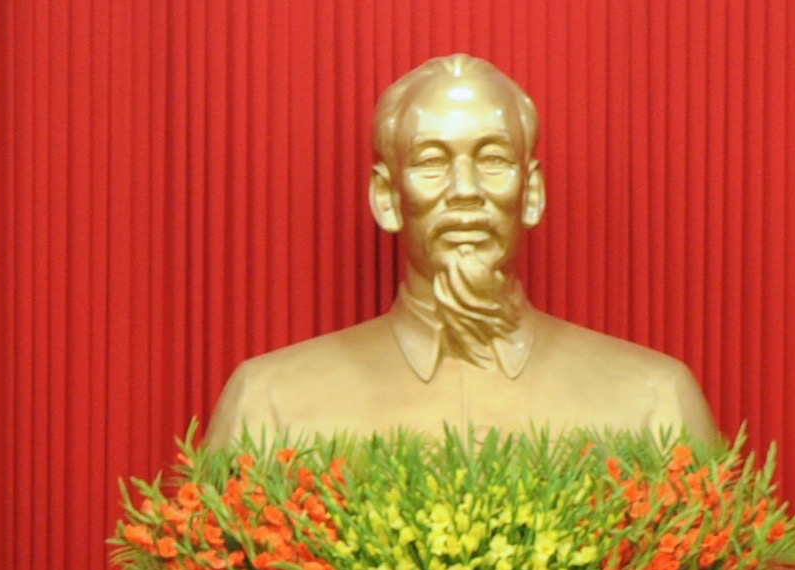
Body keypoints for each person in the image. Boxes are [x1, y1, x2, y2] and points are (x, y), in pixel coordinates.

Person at [205, 54, 718, 444]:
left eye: (493, 159)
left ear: (531, 192)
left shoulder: (654, 401)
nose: (465, 189)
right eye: (431, 161)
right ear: (386, 197)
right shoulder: (269, 404)